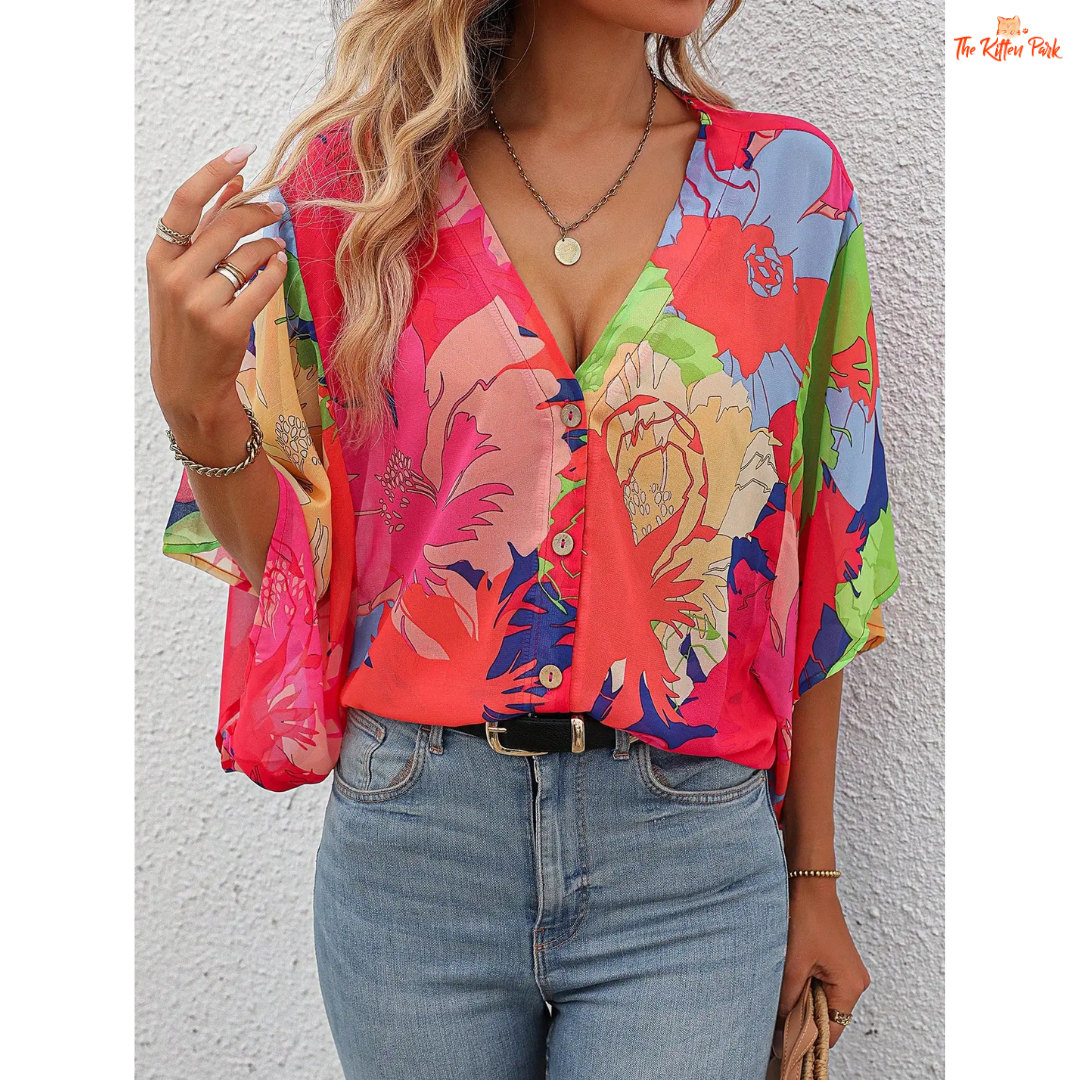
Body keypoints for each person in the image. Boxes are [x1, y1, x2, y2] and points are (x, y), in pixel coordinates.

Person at [146, 1, 899, 1077]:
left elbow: (824, 562)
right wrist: (199, 415)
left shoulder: (787, 189)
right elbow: (293, 576)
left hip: (688, 859)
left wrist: (812, 876)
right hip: (416, 849)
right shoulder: (356, 191)